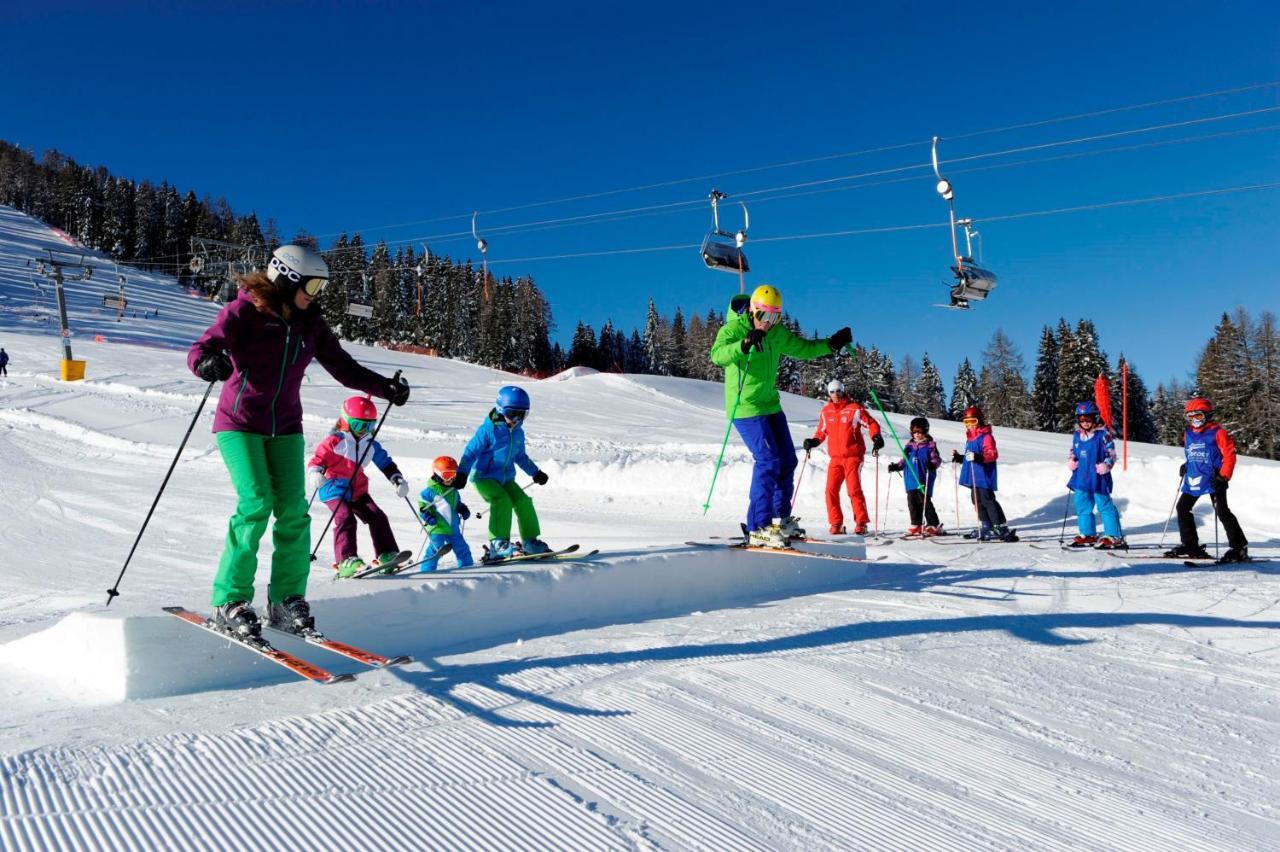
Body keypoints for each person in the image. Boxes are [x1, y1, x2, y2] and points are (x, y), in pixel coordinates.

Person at [187, 244, 410, 640]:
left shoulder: (311, 324)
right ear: (287, 278)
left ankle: (286, 600)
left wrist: (384, 388)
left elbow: (343, 367)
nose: (317, 293)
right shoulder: (244, 312)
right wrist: (206, 362)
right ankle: (230, 599)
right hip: (239, 423)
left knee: (293, 510)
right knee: (256, 502)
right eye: (313, 284)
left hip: (286, 427)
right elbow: (203, 346)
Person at [710, 284, 851, 548]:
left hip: (770, 405)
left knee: (787, 460)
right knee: (768, 461)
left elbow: (803, 348)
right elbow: (717, 356)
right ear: (753, 311)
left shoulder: (776, 333)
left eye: (775, 317)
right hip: (746, 407)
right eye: (764, 316)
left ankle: (779, 520)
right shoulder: (733, 330)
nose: (769, 322)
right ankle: (757, 527)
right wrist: (744, 343)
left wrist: (830, 345)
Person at [307, 395, 410, 577]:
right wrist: (315, 472)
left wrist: (397, 479)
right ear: (346, 422)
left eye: (369, 426)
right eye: (359, 425)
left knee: (378, 517)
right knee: (345, 517)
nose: (364, 431)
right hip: (333, 489)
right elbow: (318, 460)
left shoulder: (370, 444)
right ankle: (346, 560)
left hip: (357, 490)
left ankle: (387, 555)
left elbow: (386, 463)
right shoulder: (334, 441)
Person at [458, 385, 552, 562]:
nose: (516, 419)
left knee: (523, 501)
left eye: (522, 414)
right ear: (501, 410)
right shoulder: (487, 431)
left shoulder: (518, 433)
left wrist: (535, 472)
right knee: (502, 500)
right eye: (512, 414)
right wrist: (461, 472)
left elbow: (520, 457)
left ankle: (530, 542)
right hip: (484, 477)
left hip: (506, 478)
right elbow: (470, 452)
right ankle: (498, 544)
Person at [1165, 397, 1249, 562]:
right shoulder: (1188, 433)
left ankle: (1240, 548)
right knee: (1182, 508)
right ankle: (1190, 545)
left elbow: (1229, 456)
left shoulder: (1218, 432)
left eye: (1198, 416)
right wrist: (1186, 465)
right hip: (1195, 477)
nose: (1194, 420)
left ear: (1207, 415)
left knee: (1222, 512)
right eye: (1190, 417)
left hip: (1214, 478)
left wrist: (1223, 477)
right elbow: (1192, 453)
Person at [802, 379, 883, 534]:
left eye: (838, 391)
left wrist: (876, 437)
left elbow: (871, 423)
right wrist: (813, 441)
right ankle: (836, 523)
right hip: (836, 458)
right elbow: (821, 432)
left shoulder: (854, 409)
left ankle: (861, 523)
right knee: (830, 491)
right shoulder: (826, 411)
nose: (836, 394)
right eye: (832, 392)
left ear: (843, 391)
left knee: (853, 490)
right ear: (828, 393)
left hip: (853, 456)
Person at [951, 405, 1017, 542]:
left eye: (973, 422)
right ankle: (986, 525)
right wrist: (960, 458)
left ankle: (999, 526)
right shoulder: (969, 438)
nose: (970, 426)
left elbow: (992, 454)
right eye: (967, 422)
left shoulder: (986, 437)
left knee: (987, 500)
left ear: (979, 420)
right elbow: (970, 456)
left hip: (984, 475)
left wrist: (979, 457)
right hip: (973, 476)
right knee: (976, 501)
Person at [1066, 401, 1126, 549]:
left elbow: (1111, 453)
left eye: (1088, 418)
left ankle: (1114, 536)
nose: (1085, 422)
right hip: (1081, 477)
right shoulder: (1077, 435)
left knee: (1104, 505)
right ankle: (1088, 534)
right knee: (1082, 505)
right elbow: (1074, 450)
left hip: (1098, 476)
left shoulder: (1103, 434)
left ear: (1095, 417)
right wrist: (1072, 460)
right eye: (1081, 419)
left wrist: (1107, 464)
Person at [415, 455, 475, 572]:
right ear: (437, 474)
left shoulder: (453, 491)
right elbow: (422, 508)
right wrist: (427, 516)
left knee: (462, 548)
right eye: (447, 475)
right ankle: (427, 571)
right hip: (438, 528)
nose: (451, 479)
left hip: (453, 528)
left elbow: (457, 504)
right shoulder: (429, 492)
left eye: (454, 475)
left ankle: (467, 568)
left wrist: (463, 509)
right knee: (435, 549)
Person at [887, 416, 943, 537]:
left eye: (920, 432)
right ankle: (916, 524)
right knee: (912, 502)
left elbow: (937, 460)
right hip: (911, 480)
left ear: (925, 431)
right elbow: (904, 461)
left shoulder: (930, 446)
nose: (917, 434)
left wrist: (932, 465)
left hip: (923, 478)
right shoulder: (909, 447)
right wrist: (896, 466)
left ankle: (934, 524)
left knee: (925, 502)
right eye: (914, 432)